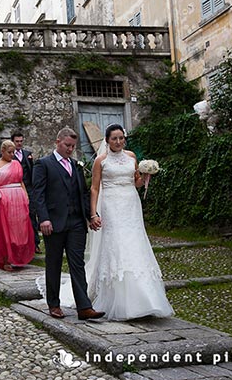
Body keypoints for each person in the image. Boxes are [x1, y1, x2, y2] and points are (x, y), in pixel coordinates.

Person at [85, 123, 173, 320]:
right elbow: (95, 189)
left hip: (131, 205)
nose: (118, 142)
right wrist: (94, 213)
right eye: (114, 138)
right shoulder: (100, 160)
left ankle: (146, 298)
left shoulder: (132, 156)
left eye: (121, 138)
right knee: (117, 245)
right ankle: (118, 297)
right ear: (107, 140)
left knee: (135, 244)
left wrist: (146, 176)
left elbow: (136, 182)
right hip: (111, 205)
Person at [32, 127, 104, 321]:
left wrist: (91, 216)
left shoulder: (76, 165)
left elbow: (83, 193)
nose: (70, 149)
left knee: (77, 263)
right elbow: (38, 194)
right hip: (53, 222)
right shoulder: (43, 164)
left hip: (76, 222)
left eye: (73, 146)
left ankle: (84, 307)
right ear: (58, 142)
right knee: (53, 263)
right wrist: (43, 218)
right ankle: (53, 304)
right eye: (67, 145)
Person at [0, 140, 35, 271]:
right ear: (2, 151)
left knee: (20, 229)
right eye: (9, 152)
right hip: (4, 200)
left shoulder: (16, 164)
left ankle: (18, 256)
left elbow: (20, 181)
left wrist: (26, 195)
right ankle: (5, 259)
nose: (12, 155)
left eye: (13, 152)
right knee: (5, 229)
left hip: (18, 199)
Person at [11, 131, 41, 253]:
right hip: (14, 189)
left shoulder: (28, 155)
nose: (19, 144)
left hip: (28, 188)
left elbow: (32, 171)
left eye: (21, 141)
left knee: (32, 214)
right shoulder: (9, 155)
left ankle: (35, 243)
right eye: (17, 141)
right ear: (12, 142)